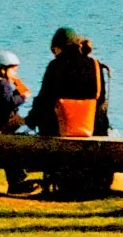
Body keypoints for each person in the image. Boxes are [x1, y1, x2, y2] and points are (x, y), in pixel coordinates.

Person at [27, 26, 113, 198]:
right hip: (92, 128)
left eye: (53, 50)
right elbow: (101, 100)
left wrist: (29, 122)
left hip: (58, 129)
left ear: (58, 47)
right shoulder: (95, 66)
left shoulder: (55, 66)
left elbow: (44, 99)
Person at [0, 51, 39, 196]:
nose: (15, 74)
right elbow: (8, 103)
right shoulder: (2, 84)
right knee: (22, 135)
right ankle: (18, 179)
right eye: (13, 70)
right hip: (3, 124)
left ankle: (18, 178)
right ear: (3, 69)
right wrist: (22, 96)